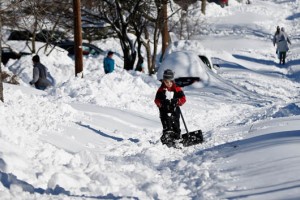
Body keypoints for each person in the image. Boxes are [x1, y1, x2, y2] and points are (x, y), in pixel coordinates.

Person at [154, 69, 186, 145]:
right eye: (165, 82)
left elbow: (183, 98)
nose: (167, 84)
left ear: (172, 81)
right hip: (164, 111)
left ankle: (177, 138)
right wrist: (160, 103)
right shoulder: (161, 90)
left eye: (169, 82)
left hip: (175, 110)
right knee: (166, 126)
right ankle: (167, 139)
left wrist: (178, 101)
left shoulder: (177, 88)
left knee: (175, 125)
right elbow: (156, 100)